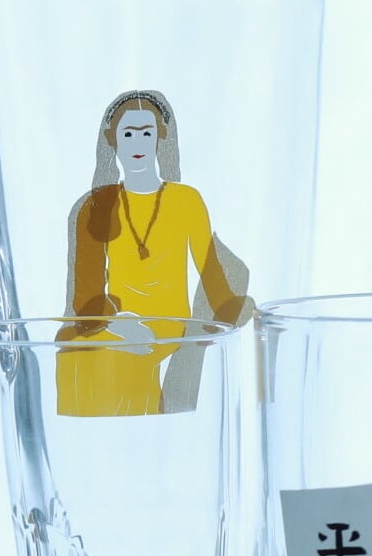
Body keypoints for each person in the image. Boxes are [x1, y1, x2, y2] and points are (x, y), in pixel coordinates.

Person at [58, 88, 250, 417]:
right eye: (128, 134)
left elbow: (210, 270)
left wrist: (232, 309)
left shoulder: (186, 201)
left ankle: (147, 434)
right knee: (75, 350)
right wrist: (115, 322)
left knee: (122, 356)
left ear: (161, 138)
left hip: (168, 321)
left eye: (146, 133)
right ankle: (80, 439)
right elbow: (84, 294)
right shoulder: (94, 206)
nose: (137, 144)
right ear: (112, 140)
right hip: (114, 320)